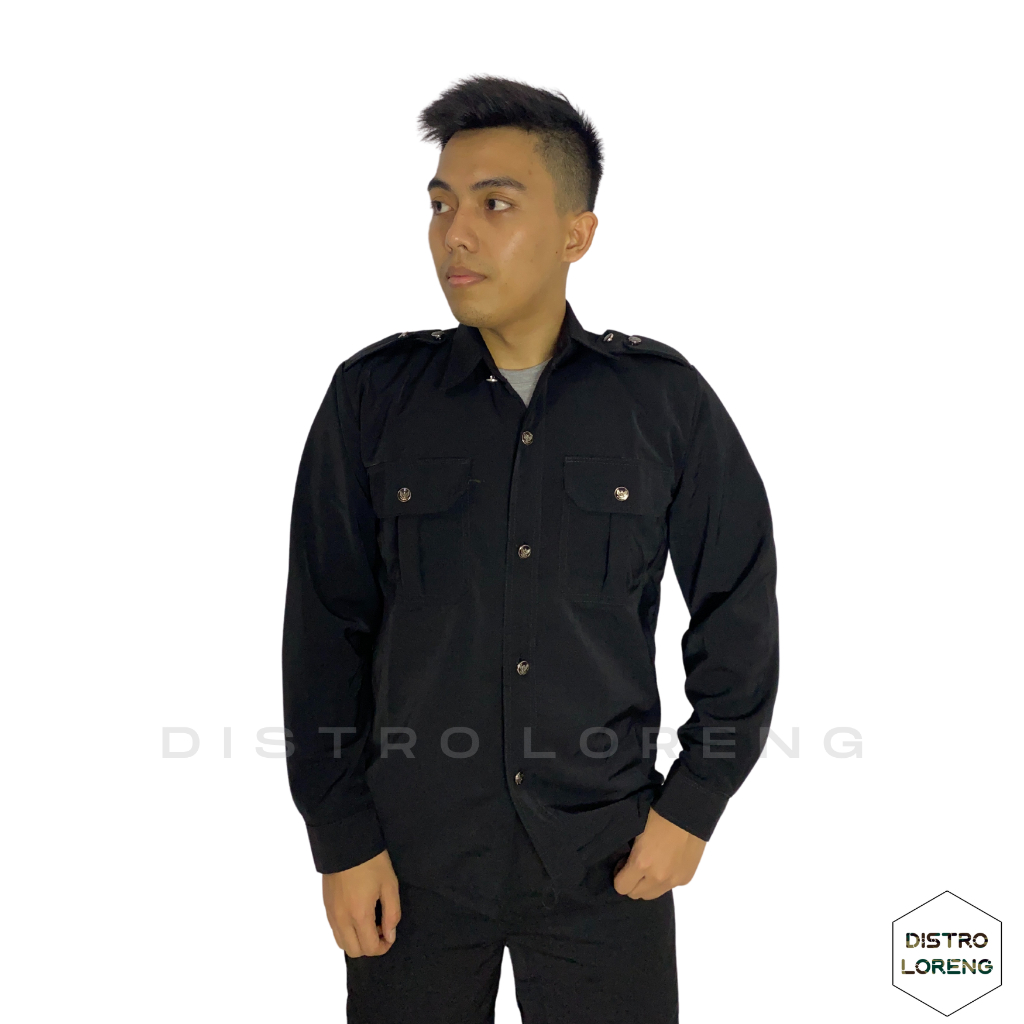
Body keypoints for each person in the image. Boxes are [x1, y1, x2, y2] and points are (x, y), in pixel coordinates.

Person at [282, 75, 779, 1024]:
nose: (455, 234)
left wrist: (694, 806)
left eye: (495, 205)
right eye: (441, 205)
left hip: (609, 862)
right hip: (410, 866)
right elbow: (324, 631)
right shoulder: (372, 398)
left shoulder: (661, 402)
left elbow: (739, 609)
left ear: (576, 234)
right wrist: (340, 839)